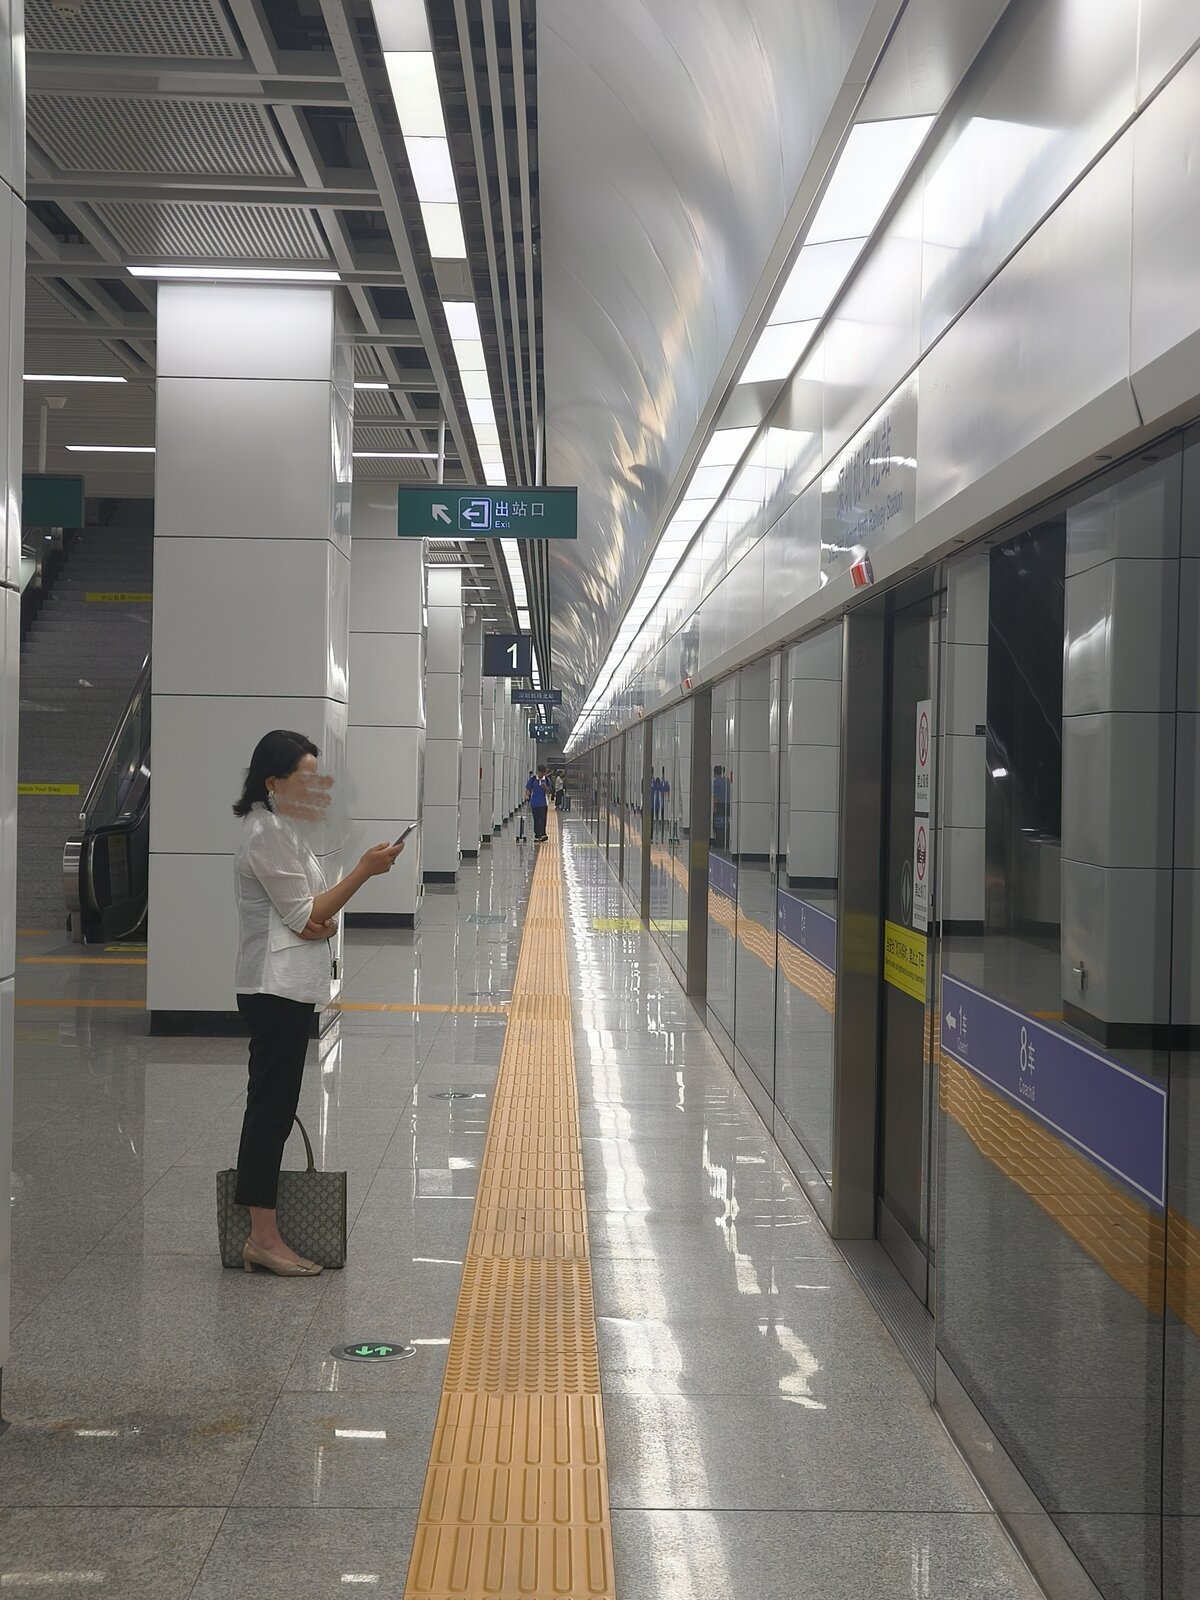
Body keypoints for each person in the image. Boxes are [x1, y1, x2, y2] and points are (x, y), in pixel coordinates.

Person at [232, 729, 403, 1277]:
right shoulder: (266, 834)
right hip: (272, 987)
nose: (316, 788)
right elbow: (307, 914)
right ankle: (262, 1237)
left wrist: (315, 921)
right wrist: (363, 872)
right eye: (304, 778)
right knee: (269, 1112)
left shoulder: (285, 830)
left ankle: (264, 1231)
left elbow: (314, 917)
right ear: (273, 782)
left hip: (291, 987)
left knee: (275, 1108)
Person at [527, 764, 550, 842]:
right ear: (537, 771)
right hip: (534, 803)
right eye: (540, 773)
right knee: (536, 819)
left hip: (544, 803)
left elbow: (549, 791)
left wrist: (545, 787)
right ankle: (537, 835)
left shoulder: (547, 780)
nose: (541, 775)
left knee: (543, 819)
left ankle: (543, 834)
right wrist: (527, 795)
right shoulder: (533, 779)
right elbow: (528, 788)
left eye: (543, 773)